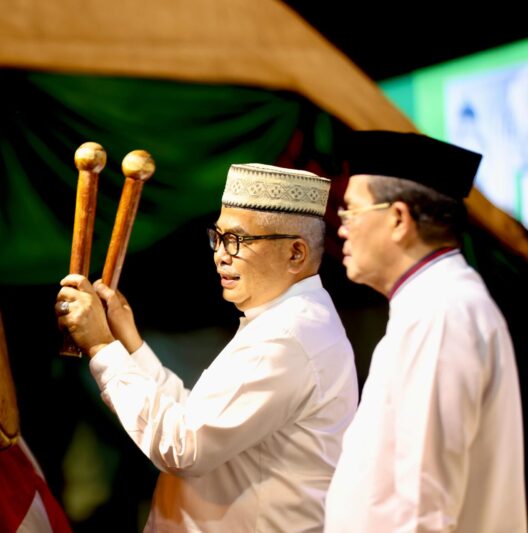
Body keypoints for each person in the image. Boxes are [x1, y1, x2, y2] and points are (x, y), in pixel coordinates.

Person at [56, 163, 358, 532]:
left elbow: (183, 448)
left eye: (238, 241)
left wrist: (102, 346)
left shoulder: (285, 335)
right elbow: (195, 419)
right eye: (218, 237)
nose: (220, 255)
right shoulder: (288, 319)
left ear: (295, 254)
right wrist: (127, 341)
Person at [324, 130, 527, 533]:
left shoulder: (441, 312)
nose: (341, 227)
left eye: (351, 212)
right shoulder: (431, 302)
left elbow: (423, 503)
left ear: (398, 219)